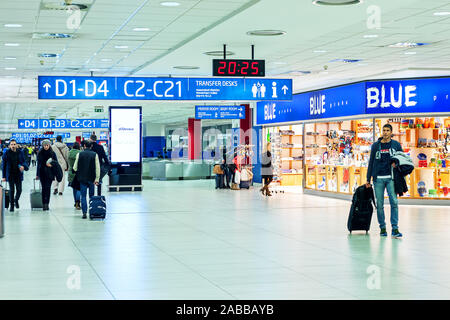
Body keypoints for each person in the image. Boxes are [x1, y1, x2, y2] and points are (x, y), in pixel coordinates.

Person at [366, 123, 404, 238]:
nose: (385, 132)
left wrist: (396, 163)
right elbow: (371, 162)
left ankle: (395, 228)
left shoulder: (396, 145)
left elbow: (402, 158)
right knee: (380, 204)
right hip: (378, 179)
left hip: (391, 178)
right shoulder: (375, 146)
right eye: (384, 130)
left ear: (391, 133)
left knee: (394, 202)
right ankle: (382, 227)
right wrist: (368, 179)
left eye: (388, 130)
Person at [73, 141, 100, 219]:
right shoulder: (95, 154)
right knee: (91, 196)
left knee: (83, 196)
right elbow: (97, 168)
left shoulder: (79, 154)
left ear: (84, 146)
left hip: (82, 178)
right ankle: (92, 212)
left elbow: (75, 167)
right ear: (91, 146)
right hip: (91, 178)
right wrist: (97, 179)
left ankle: (84, 213)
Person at [1, 139, 28, 212]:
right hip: (10, 174)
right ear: (9, 145)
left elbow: (24, 161)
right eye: (11, 144)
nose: (13, 146)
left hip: (18, 174)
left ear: (16, 145)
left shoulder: (20, 152)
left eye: (14, 144)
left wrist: (23, 166)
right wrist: (3, 176)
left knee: (19, 190)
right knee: (12, 190)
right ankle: (12, 206)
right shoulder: (6, 153)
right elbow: (3, 165)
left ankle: (16, 200)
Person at [36, 140, 58, 211]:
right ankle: (43, 204)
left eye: (47, 145)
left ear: (49, 145)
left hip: (50, 173)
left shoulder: (52, 153)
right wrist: (37, 174)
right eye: (44, 145)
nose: (46, 147)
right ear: (43, 146)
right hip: (42, 173)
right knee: (43, 188)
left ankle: (47, 204)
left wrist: (51, 165)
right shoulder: (40, 153)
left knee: (48, 188)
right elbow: (38, 165)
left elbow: (56, 163)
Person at [68, 142, 82, 210]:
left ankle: (75, 201)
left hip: (71, 171)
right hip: (79, 172)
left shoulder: (69, 152)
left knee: (74, 188)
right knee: (79, 188)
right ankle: (78, 202)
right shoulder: (80, 153)